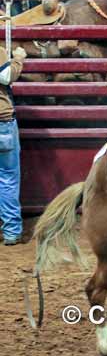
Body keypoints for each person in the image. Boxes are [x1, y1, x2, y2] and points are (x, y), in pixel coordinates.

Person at [0, 44, 27, 245]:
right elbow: (6, 76)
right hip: (2, 123)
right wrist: (18, 58)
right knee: (7, 178)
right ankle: (11, 231)